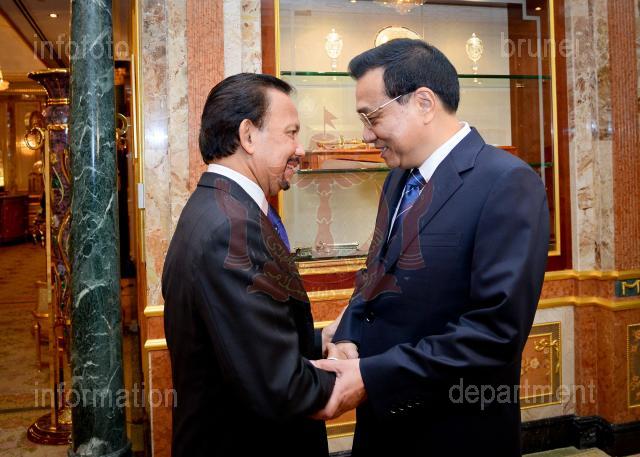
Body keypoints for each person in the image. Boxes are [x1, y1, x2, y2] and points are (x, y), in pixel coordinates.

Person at [313, 39, 550, 456]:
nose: (366, 135)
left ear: (423, 103)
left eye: (372, 116)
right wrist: (348, 334)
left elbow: (495, 332)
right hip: (383, 424)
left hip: (455, 433)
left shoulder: (507, 182)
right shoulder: (398, 178)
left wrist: (372, 377)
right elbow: (376, 273)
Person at [162, 73, 336, 457]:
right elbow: (281, 387)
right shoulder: (231, 229)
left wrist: (319, 340)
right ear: (248, 136)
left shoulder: (218, 207)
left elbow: (243, 339)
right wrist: (361, 379)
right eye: (291, 133)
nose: (300, 148)